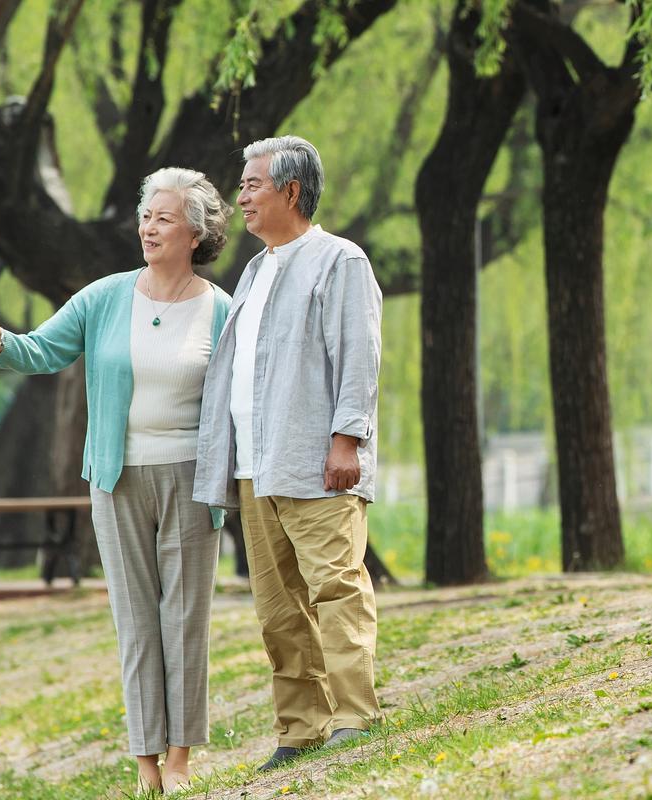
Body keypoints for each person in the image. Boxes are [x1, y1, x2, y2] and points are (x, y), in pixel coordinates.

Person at [0, 167, 232, 795]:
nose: (148, 226)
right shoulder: (104, 298)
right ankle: (146, 765)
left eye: (162, 217)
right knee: (135, 621)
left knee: (184, 620)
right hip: (116, 476)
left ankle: (181, 760)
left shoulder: (221, 311)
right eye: (145, 215)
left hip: (191, 478)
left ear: (196, 231)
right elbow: (43, 350)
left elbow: (241, 400)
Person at [193, 135, 383, 771]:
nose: (240, 196)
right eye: (242, 185)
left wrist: (346, 439)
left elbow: (358, 357)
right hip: (256, 465)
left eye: (252, 185)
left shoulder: (339, 260)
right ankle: (300, 727)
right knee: (277, 609)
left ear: (292, 192)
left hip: (316, 460)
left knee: (336, 588)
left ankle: (355, 716)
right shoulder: (255, 268)